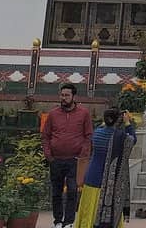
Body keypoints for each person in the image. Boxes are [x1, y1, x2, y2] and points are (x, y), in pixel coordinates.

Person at [42, 83, 94, 228]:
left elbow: (88, 136)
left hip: (74, 161)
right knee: (56, 192)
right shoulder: (53, 114)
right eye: (62, 95)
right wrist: (49, 155)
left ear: (73, 97)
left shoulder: (83, 113)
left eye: (66, 95)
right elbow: (45, 136)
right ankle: (58, 221)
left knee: (72, 191)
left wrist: (83, 155)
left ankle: (69, 222)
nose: (63, 98)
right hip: (56, 160)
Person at [74, 108, 136, 228]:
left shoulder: (97, 133)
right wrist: (128, 123)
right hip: (108, 183)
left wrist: (107, 121)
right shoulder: (120, 137)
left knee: (89, 210)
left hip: (92, 177)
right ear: (118, 120)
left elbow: (103, 126)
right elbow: (133, 140)